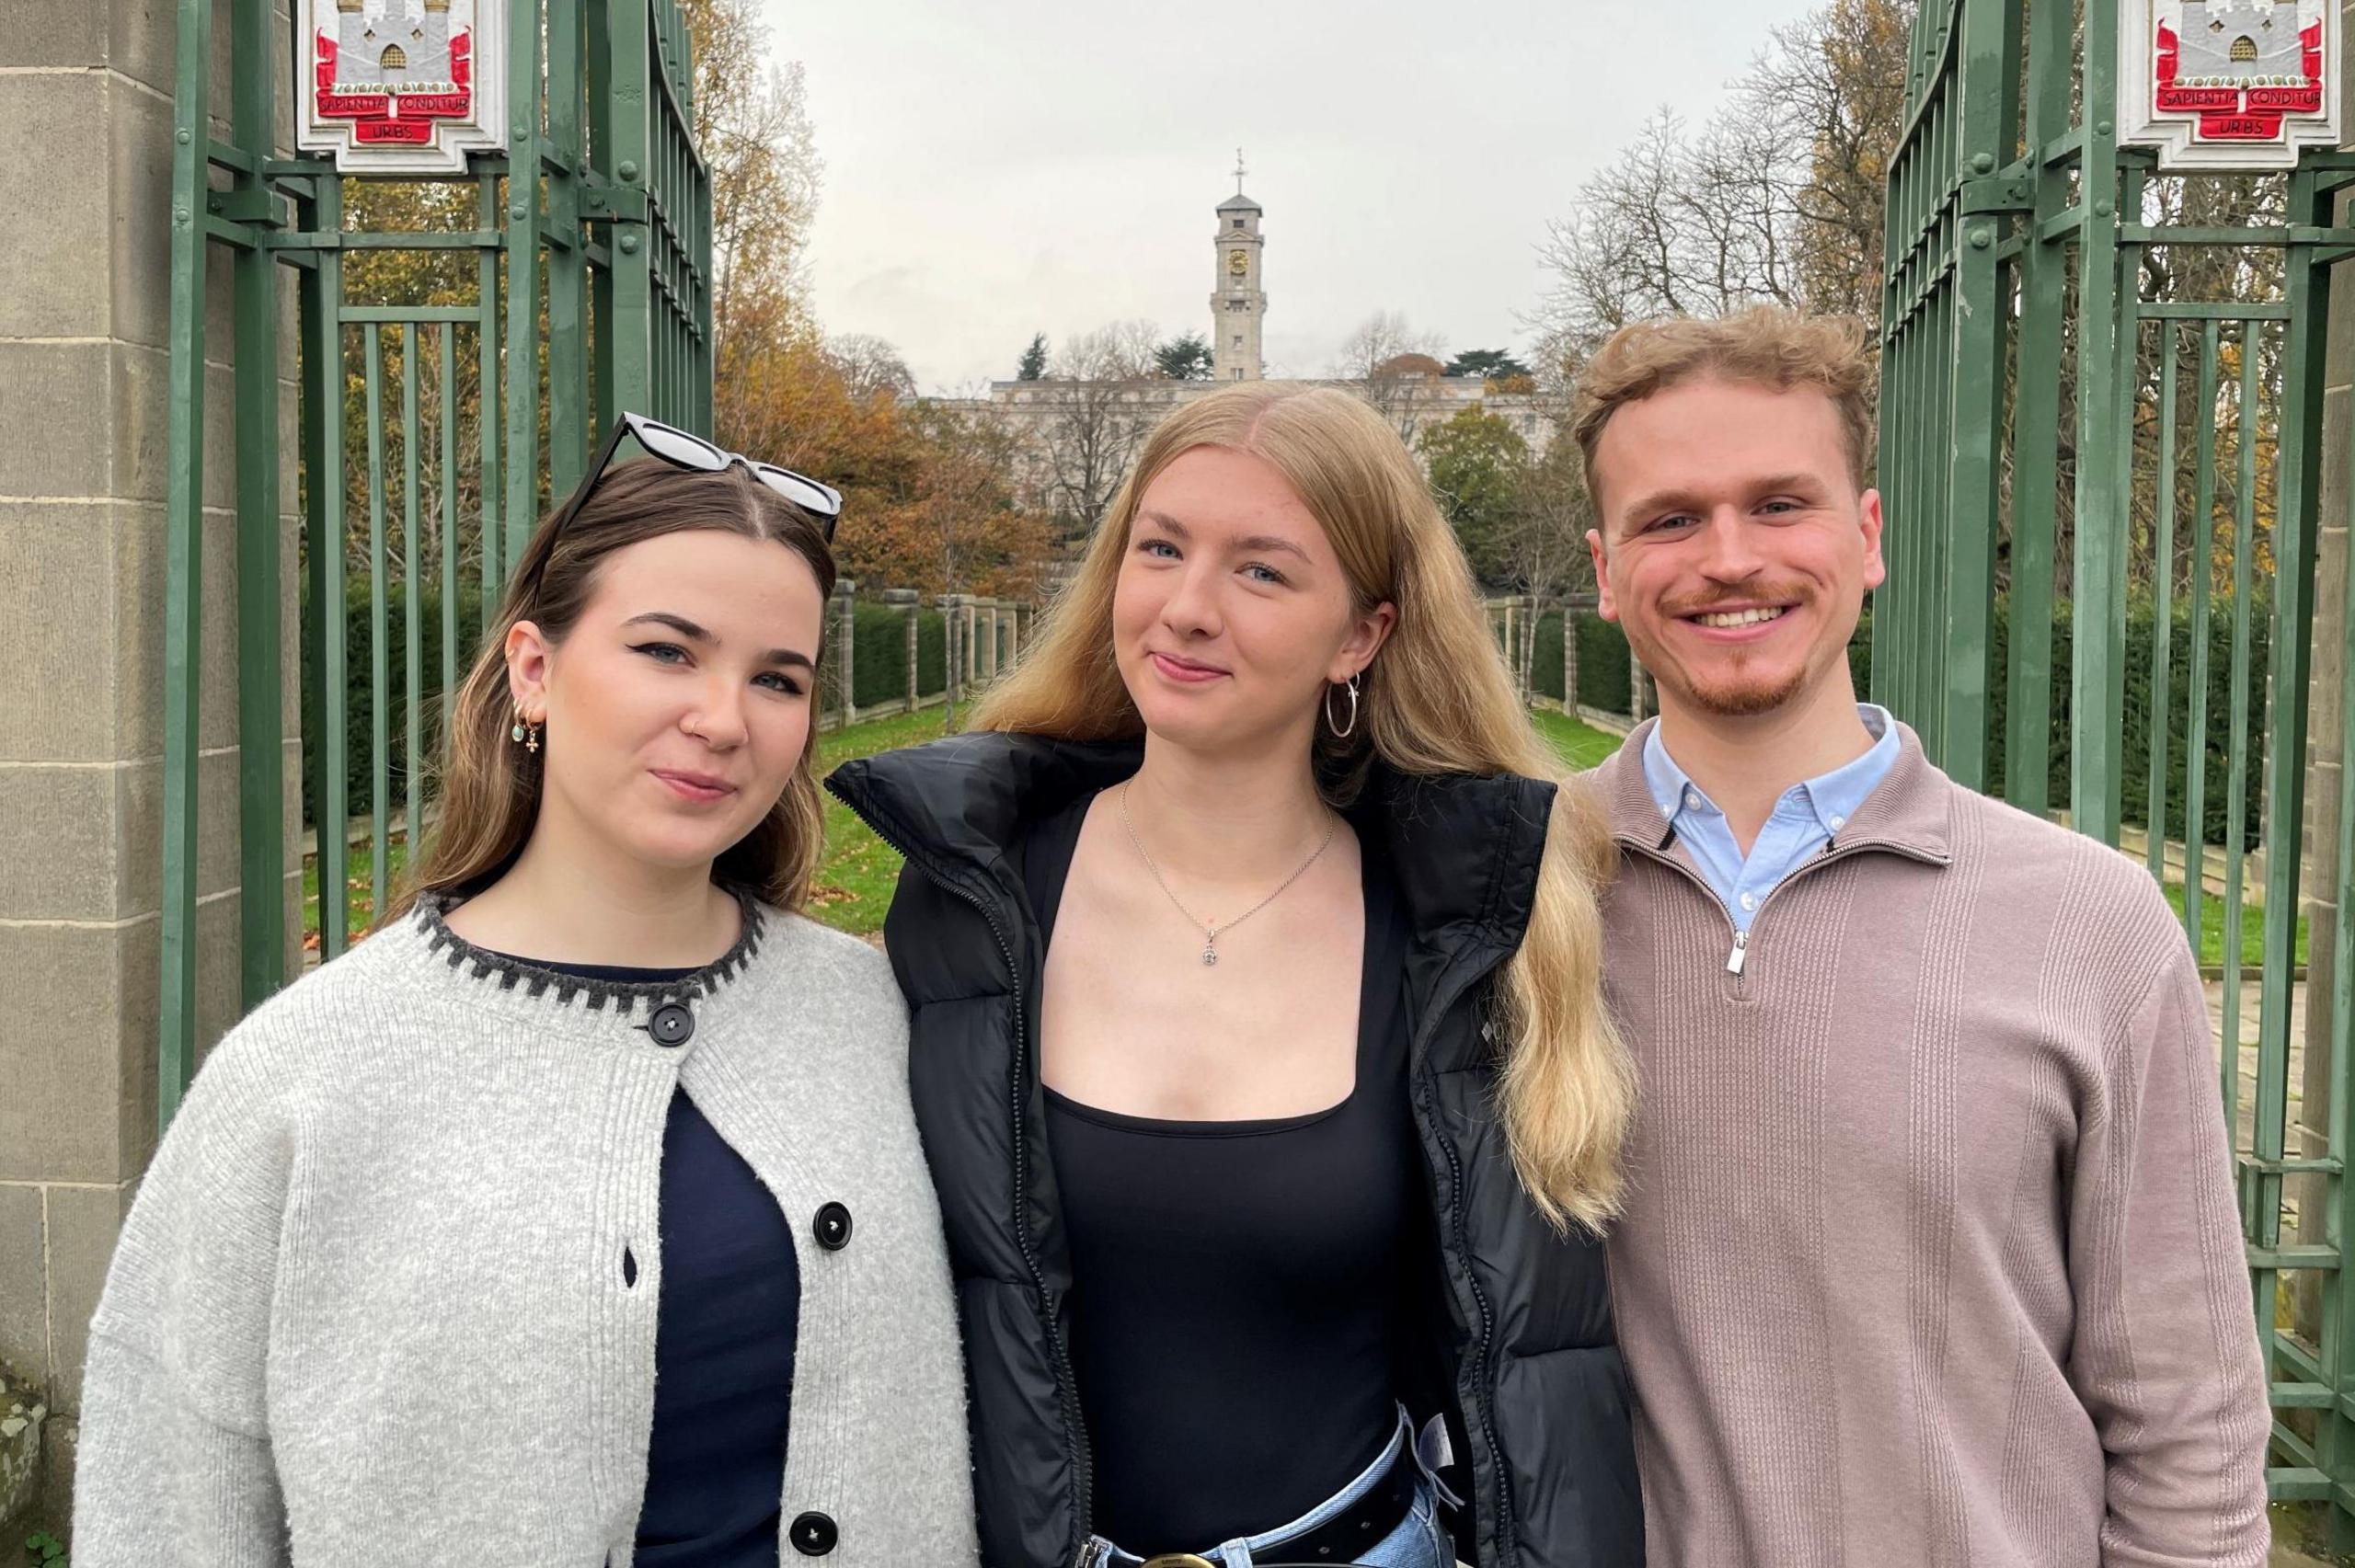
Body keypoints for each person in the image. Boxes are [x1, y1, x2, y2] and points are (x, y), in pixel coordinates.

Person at [74, 416, 977, 1567]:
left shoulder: (875, 1015)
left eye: (777, 678)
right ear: (533, 669)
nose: (722, 719)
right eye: (666, 650)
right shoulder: (307, 1072)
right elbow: (171, 1490)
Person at [828, 383, 1643, 1568]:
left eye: (1262, 571)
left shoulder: (1459, 931)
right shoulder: (971, 898)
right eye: (1159, 548)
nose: (1187, 609)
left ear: (1361, 633)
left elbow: (1542, 1369)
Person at [1577, 307, 2270, 1564]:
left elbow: (2189, 1421)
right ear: (1606, 570)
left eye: (1781, 504)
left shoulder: (2090, 922)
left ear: (1870, 534)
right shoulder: (1516, 899)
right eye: (1670, 519)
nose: (1730, 557)